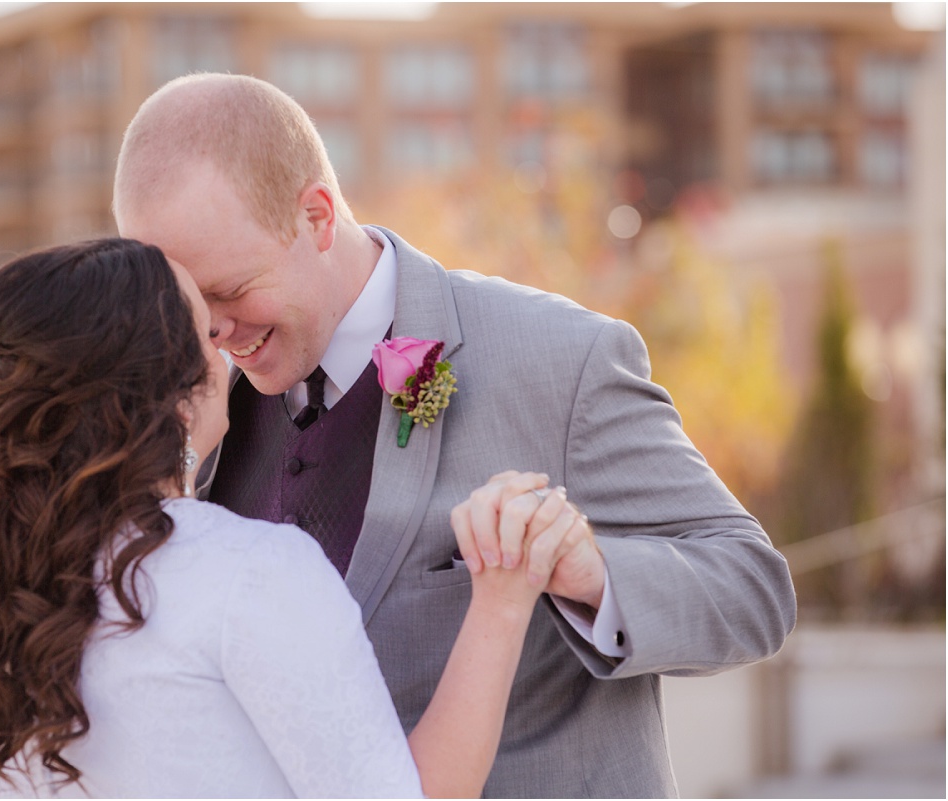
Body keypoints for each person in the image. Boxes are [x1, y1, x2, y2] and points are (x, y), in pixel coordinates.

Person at [112, 73, 798, 797]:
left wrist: (586, 570)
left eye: (226, 290)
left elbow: (753, 590)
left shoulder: (560, 359)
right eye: (184, 304)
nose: (209, 331)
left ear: (315, 217)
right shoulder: (196, 406)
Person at [0, 238, 589, 798]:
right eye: (205, 333)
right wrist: (502, 597)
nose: (227, 343)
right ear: (175, 394)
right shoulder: (254, 573)